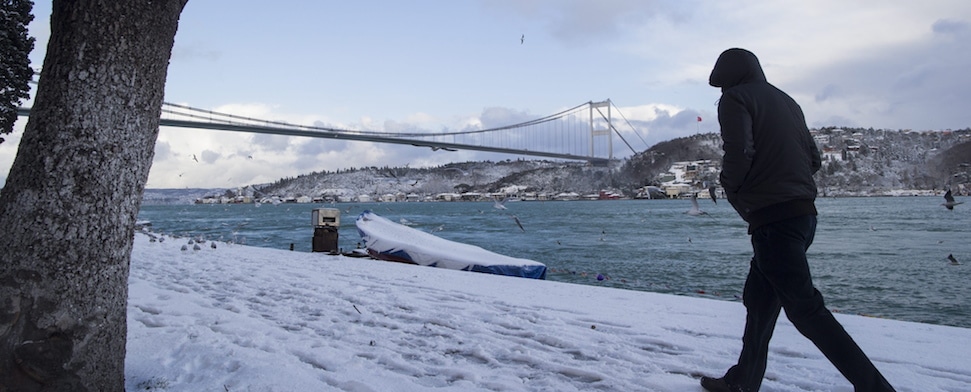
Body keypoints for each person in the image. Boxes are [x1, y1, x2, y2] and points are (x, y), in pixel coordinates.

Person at [701, 48, 896, 392]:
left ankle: (876, 388)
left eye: (722, 84)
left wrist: (732, 189)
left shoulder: (735, 99)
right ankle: (742, 381)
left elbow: (739, 152)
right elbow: (814, 159)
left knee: (806, 310)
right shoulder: (787, 101)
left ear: (729, 77)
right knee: (759, 301)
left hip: (773, 220)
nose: (721, 91)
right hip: (803, 216)